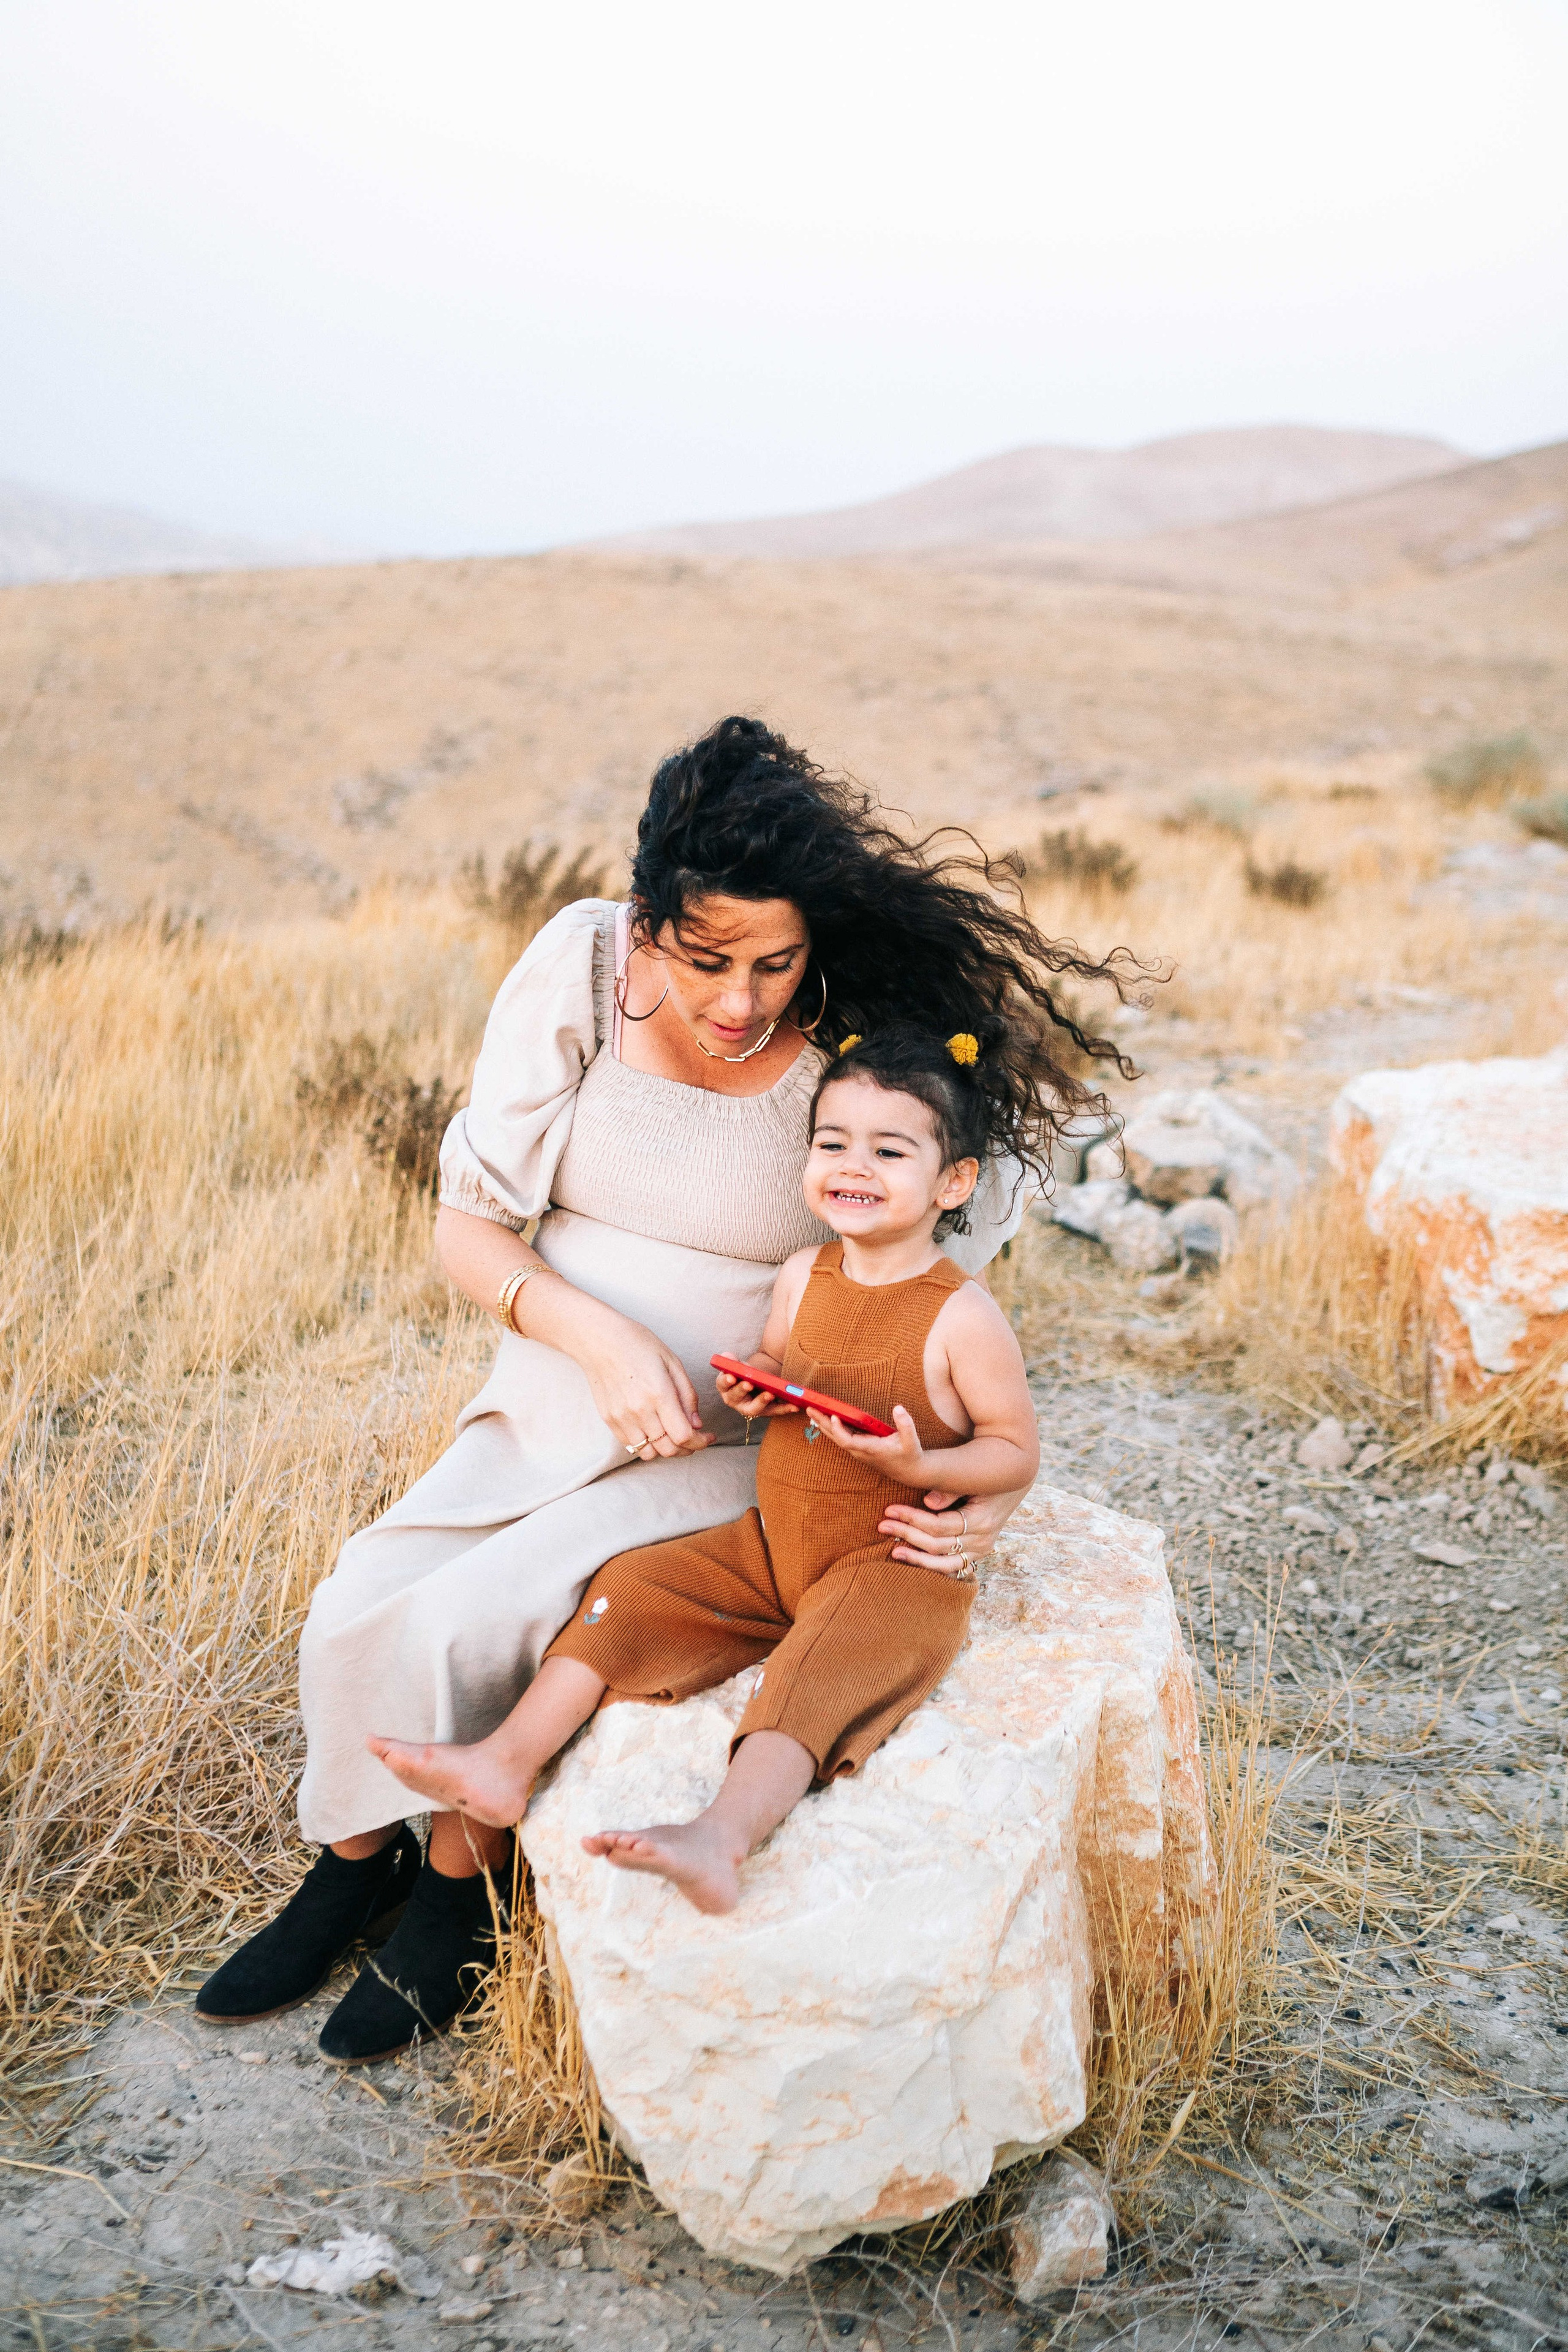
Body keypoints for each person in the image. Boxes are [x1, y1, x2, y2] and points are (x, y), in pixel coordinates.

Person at [195, 716, 1139, 2062]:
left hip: (735, 1432)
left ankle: (456, 1898)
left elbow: (943, 1268)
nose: (741, 1000)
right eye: (704, 961)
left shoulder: (869, 1032)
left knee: (488, 1612)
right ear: (645, 923)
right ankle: (351, 1862)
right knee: (360, 1595)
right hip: (556, 1382)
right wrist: (594, 1338)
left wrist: (959, 1486)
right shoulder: (578, 966)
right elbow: (468, 1228)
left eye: (774, 961)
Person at [367, 1026, 1042, 1913]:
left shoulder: (959, 1314)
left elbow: (1015, 1448)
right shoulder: (805, 1273)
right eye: (832, 1143)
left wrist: (928, 1461)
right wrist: (763, 1392)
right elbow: (781, 1366)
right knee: (635, 1585)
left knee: (817, 1667)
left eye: (889, 1149)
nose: (853, 1165)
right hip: (774, 1545)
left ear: (953, 1182)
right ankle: (504, 1762)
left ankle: (720, 1837)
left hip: (889, 1563)